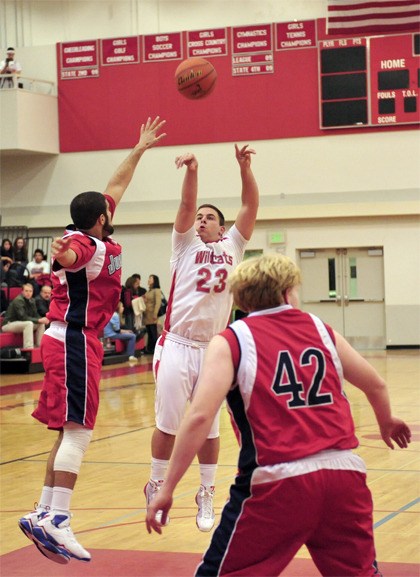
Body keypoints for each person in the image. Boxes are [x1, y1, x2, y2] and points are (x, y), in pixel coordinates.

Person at [146, 253, 412, 577]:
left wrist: (168, 487)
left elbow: (200, 416)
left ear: (241, 299)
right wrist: (386, 421)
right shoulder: (321, 329)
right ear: (287, 292)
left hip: (277, 480)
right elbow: (376, 384)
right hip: (344, 473)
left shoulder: (232, 339)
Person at [17, 116, 166, 565]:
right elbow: (70, 253)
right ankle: (59, 518)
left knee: (66, 431)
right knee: (80, 433)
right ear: (100, 218)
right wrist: (57, 257)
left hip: (67, 339)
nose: (112, 206)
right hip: (75, 341)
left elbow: (116, 184)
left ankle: (44, 510)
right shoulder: (88, 245)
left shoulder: (94, 231)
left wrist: (138, 149)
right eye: (107, 208)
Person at [145, 144, 259, 532]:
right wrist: (192, 170)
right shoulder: (184, 245)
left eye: (209, 218)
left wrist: (244, 168)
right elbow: (185, 202)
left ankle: (206, 491)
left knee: (210, 427)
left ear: (222, 228)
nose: (201, 220)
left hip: (213, 350)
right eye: (199, 217)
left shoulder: (234, 246)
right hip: (177, 344)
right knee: (169, 424)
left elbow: (249, 205)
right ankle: (157, 480)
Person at [1, 282, 49, 348]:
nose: (28, 293)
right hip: (8, 324)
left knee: (41, 324)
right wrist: (39, 320)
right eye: (26, 291)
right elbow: (23, 317)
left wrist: (42, 319)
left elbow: (35, 315)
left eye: (30, 291)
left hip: (21, 323)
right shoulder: (18, 300)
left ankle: (39, 346)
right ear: (22, 292)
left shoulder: (32, 300)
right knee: (29, 324)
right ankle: (28, 348)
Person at [143, 274, 162, 354]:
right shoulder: (148, 291)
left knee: (153, 333)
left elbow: (158, 303)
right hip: (147, 315)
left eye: (150, 278)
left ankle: (155, 349)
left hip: (152, 314)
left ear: (155, 280)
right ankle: (150, 349)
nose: (149, 280)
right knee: (149, 333)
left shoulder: (157, 290)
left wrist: (155, 314)